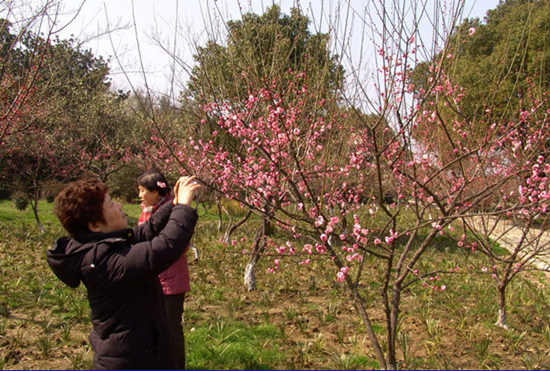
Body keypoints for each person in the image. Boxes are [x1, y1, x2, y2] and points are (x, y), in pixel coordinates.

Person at [47, 176, 200, 369]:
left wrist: (174, 204)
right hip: (127, 360)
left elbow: (146, 232)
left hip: (139, 352)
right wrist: (183, 209)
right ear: (95, 225)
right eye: (110, 204)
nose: (119, 206)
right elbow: (163, 249)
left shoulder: (102, 245)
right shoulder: (103, 262)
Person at [137, 169, 190, 368]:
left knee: (170, 328)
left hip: (170, 281)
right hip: (153, 277)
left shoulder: (172, 212)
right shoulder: (149, 210)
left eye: (142, 191)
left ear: (156, 192)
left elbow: (180, 244)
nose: (139, 195)